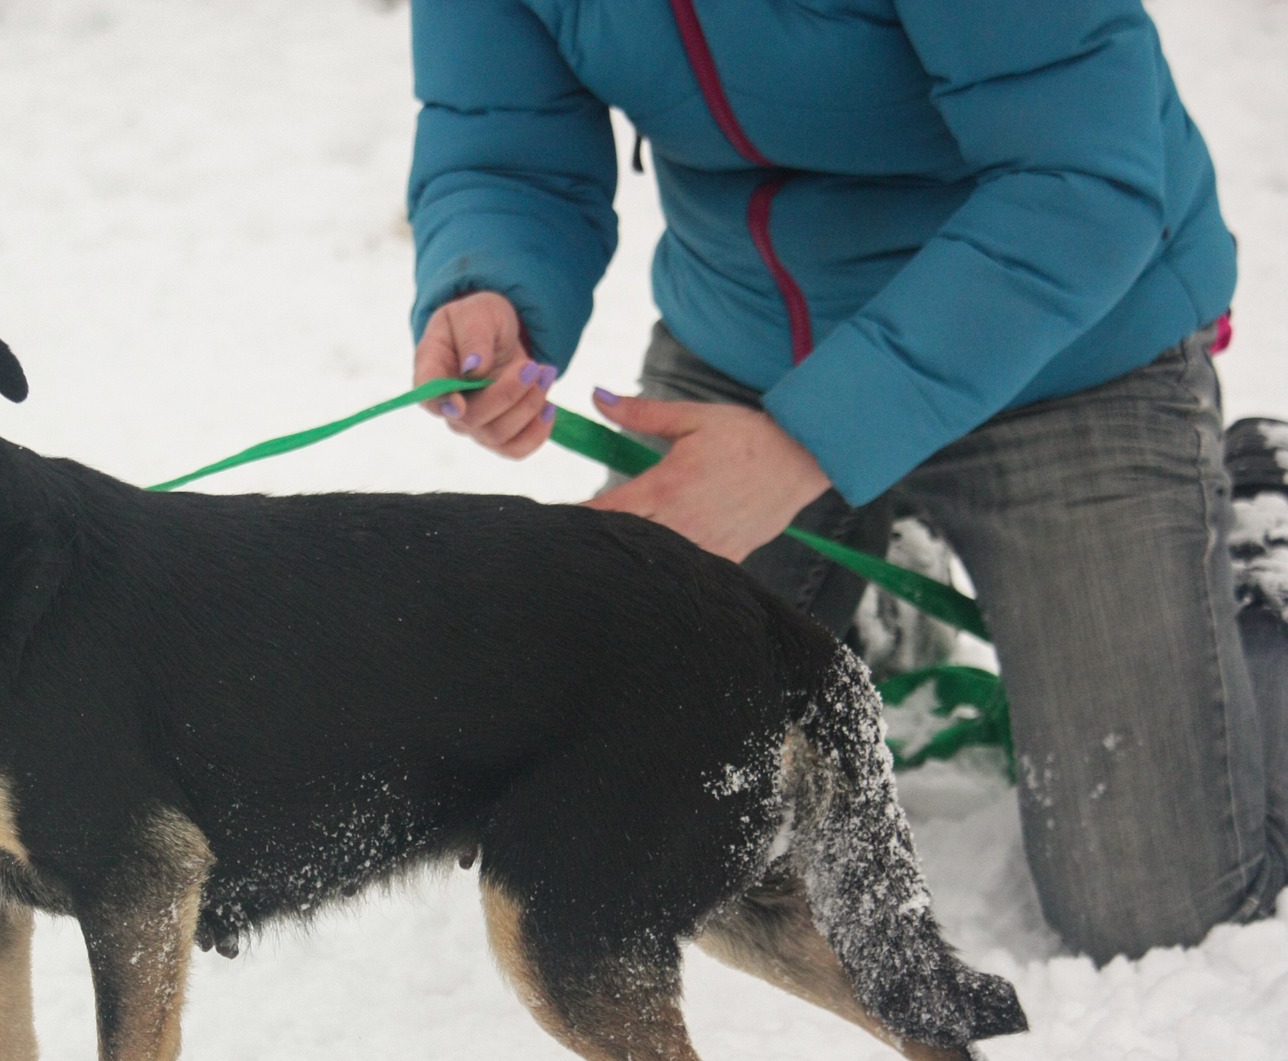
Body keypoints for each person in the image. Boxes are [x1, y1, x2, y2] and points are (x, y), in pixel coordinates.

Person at [406, 0, 1287, 962]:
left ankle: (1252, 540)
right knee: (616, 807)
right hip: (751, 348)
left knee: (1154, 910)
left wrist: (805, 446)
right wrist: (491, 284)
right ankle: (870, 578)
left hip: (1064, 351)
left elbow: (1081, 178)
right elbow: (506, 148)